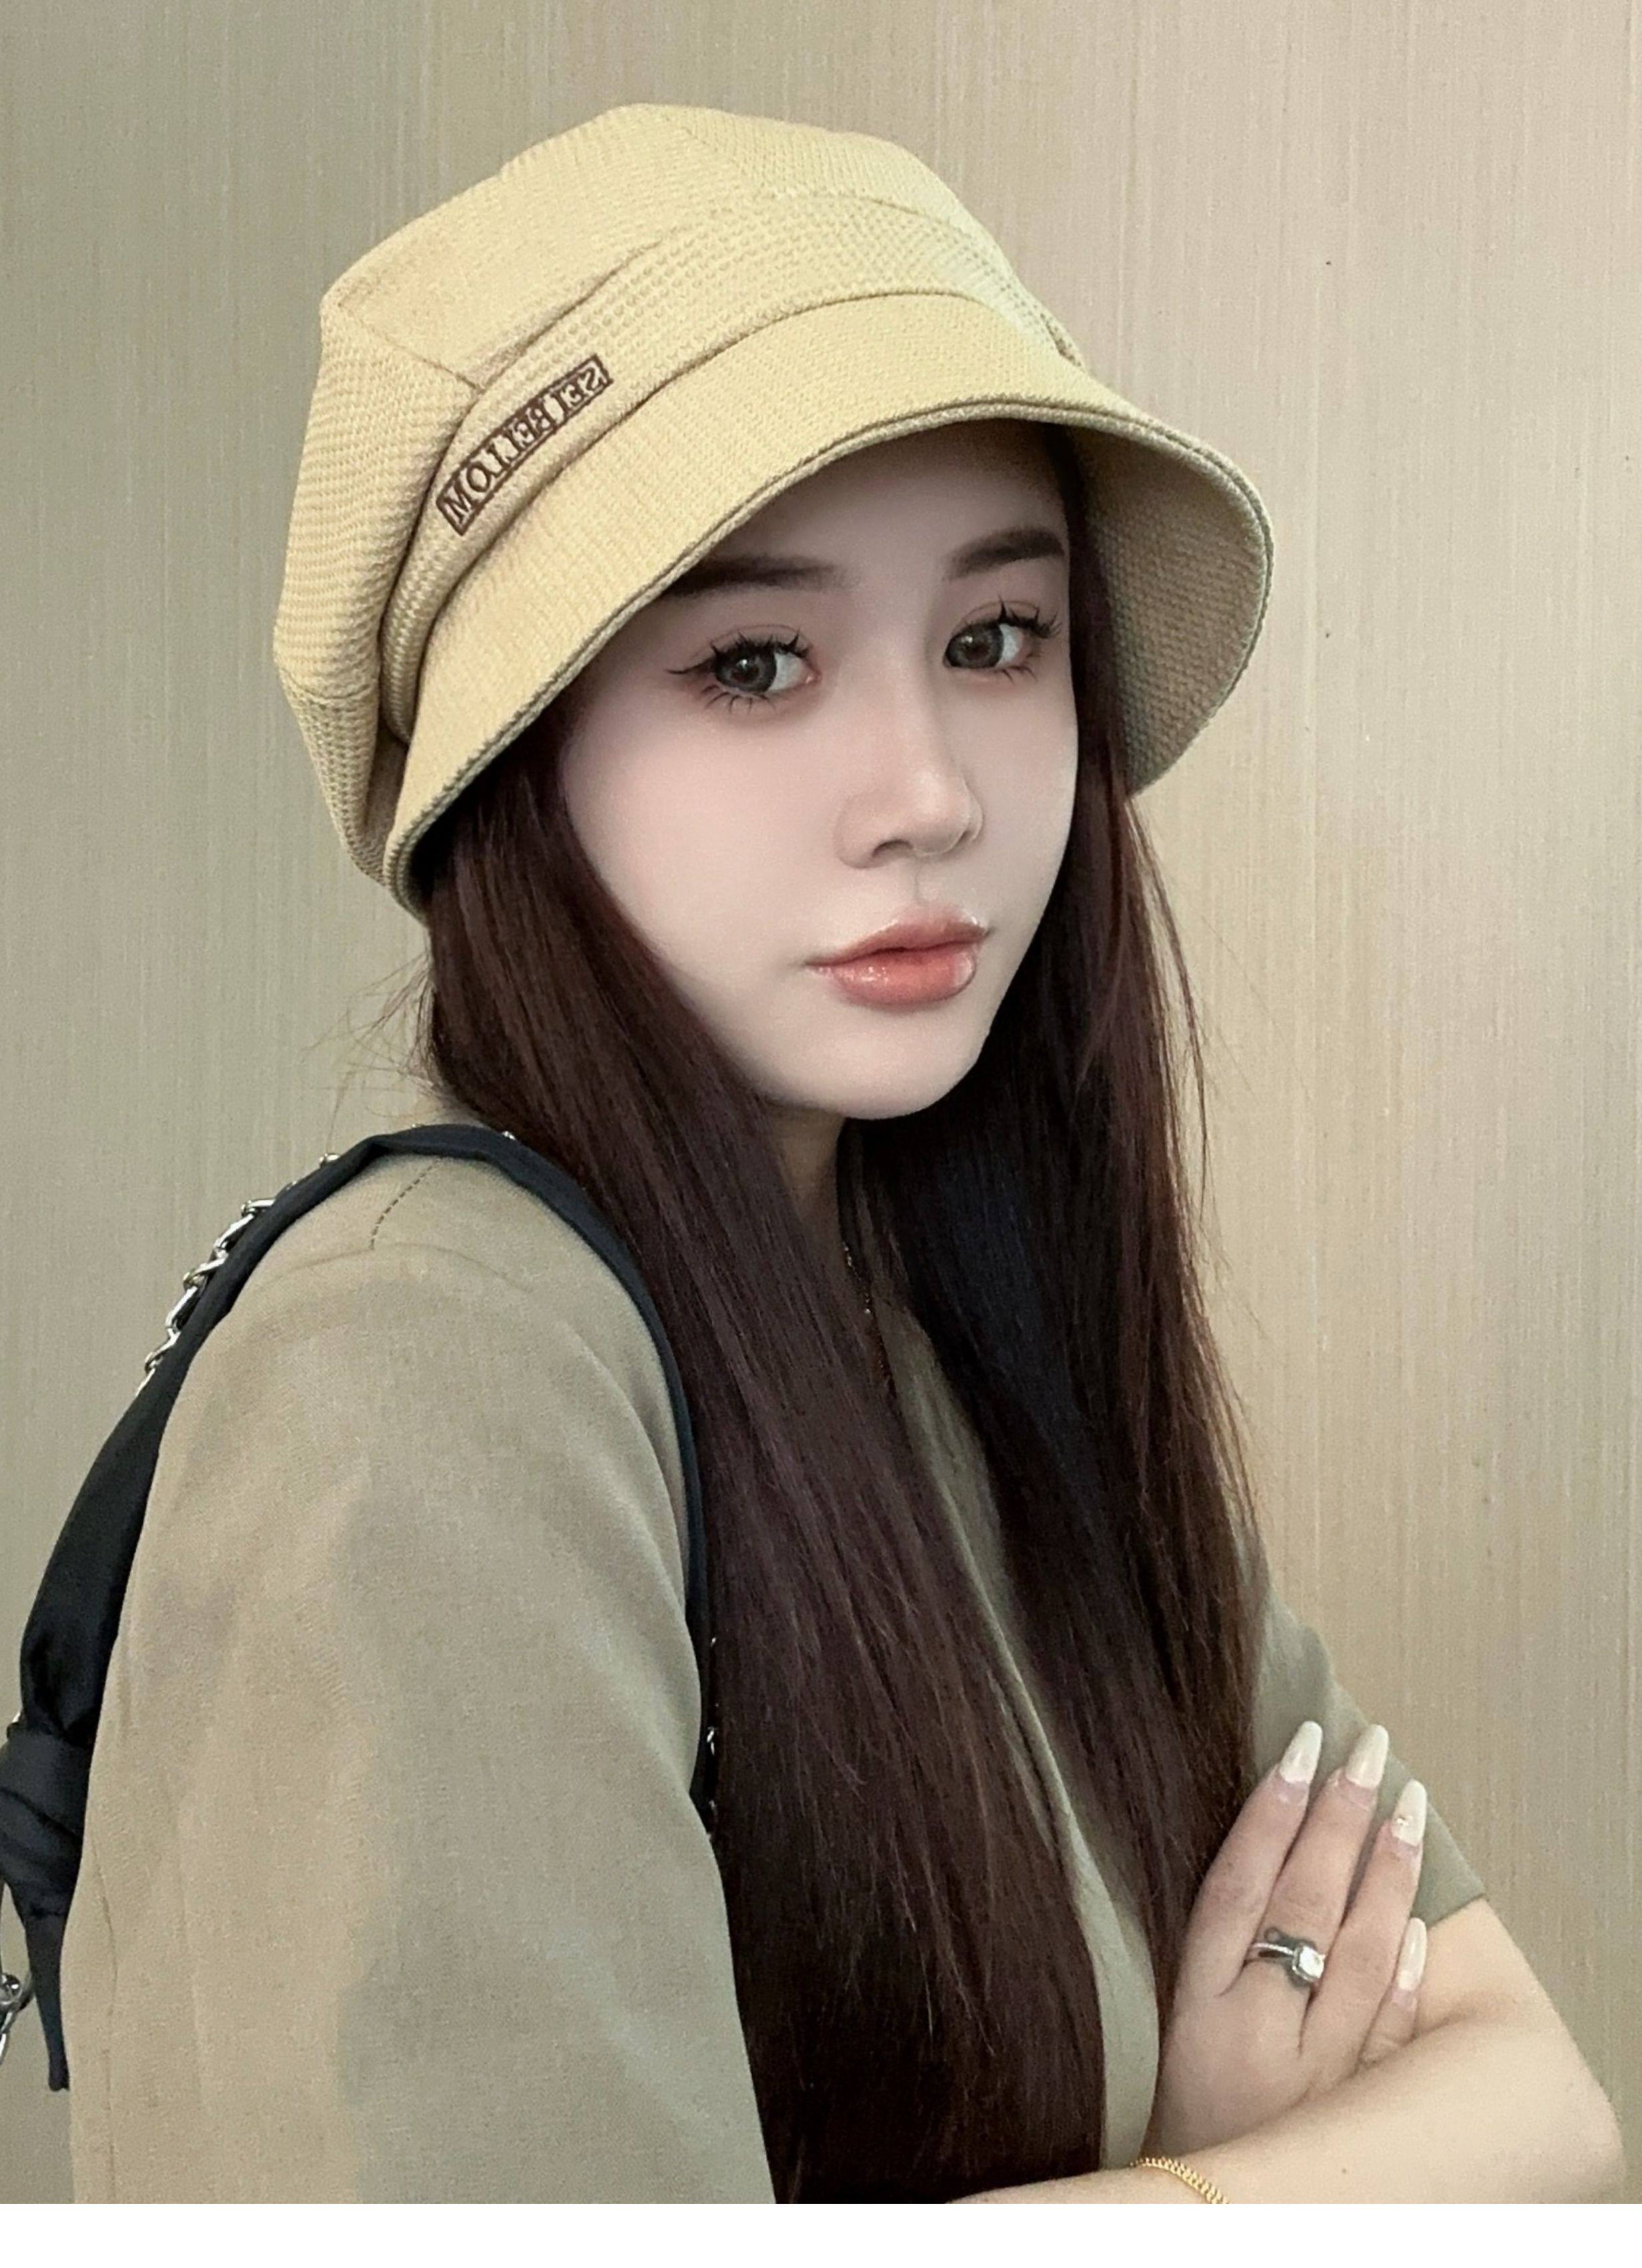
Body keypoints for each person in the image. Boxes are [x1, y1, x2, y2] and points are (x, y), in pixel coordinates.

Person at [58, 104, 1489, 2204]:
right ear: (520, 753)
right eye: (754, 664)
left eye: (996, 641)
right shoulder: (437, 1378)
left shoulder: (958, 1345)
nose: (929, 789)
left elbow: (1538, 2105)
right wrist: (1212, 2189)